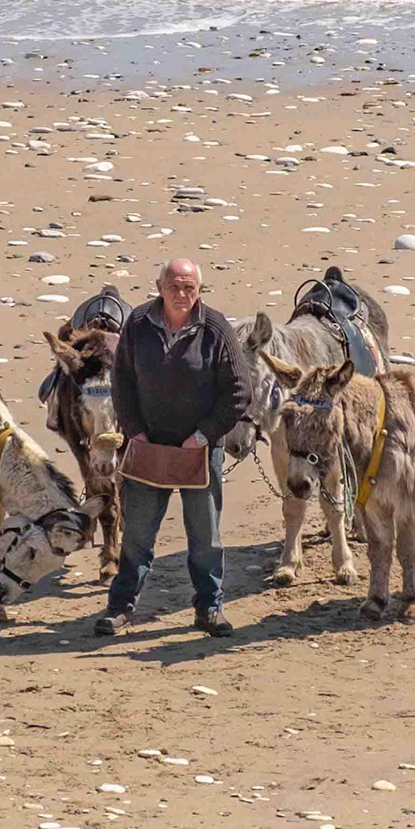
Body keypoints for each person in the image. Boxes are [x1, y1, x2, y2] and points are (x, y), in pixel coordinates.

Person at [97, 258, 251, 637]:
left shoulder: (216, 329)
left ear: (199, 291)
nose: (182, 294)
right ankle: (120, 610)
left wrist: (203, 435)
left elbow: (239, 392)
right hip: (148, 448)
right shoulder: (137, 324)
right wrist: (134, 431)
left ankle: (209, 609)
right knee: (136, 535)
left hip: (199, 451)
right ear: (159, 286)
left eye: (189, 288)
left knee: (205, 536)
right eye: (174, 286)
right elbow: (122, 383)